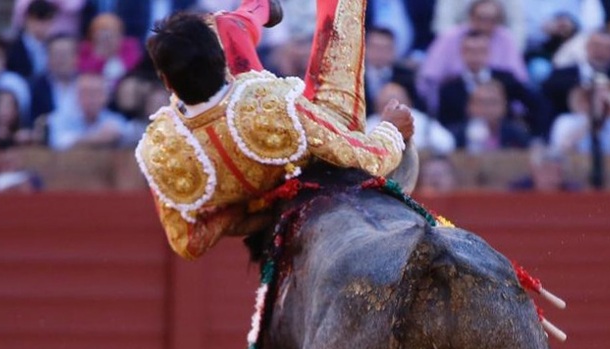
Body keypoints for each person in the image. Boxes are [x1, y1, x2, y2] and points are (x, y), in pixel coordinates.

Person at [136, 0, 414, 260]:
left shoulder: (160, 147)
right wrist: (390, 129)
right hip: (307, 149)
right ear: (223, 64)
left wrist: (255, 207)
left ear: (167, 83)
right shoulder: (273, 103)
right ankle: (240, 21)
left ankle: (242, 20)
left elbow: (188, 241)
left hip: (262, 177)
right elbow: (366, 160)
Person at [7, 0, 58, 80]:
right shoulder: (12, 47)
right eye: (37, 20)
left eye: (46, 21)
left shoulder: (52, 46)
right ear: (27, 20)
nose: (41, 26)